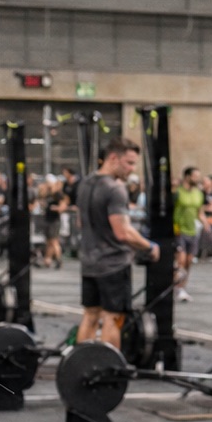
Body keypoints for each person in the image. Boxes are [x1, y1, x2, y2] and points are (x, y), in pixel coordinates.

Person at [75, 136, 158, 350]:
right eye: (129, 163)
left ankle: (81, 366)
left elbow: (79, 222)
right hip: (113, 264)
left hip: (89, 263)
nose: (132, 169)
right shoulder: (115, 189)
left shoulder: (85, 183)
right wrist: (149, 246)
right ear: (113, 158)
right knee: (113, 318)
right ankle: (108, 370)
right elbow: (123, 233)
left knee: (90, 315)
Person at [172, 166, 207, 301]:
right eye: (194, 176)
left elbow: (200, 212)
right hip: (179, 230)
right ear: (187, 176)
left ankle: (181, 287)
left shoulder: (199, 193)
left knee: (188, 261)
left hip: (193, 231)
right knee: (180, 260)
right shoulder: (177, 193)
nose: (197, 179)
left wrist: (205, 223)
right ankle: (177, 286)